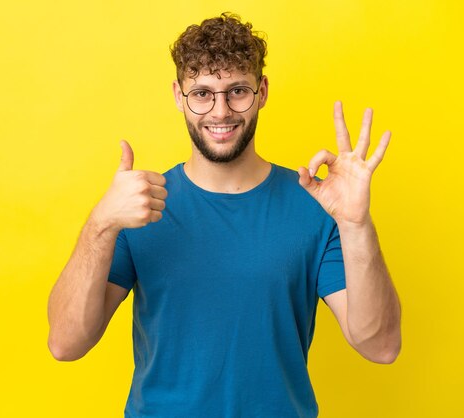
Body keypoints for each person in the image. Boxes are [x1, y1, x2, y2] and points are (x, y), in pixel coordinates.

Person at [47, 12, 401, 418]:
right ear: (179, 96)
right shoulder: (138, 206)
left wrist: (356, 224)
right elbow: (66, 344)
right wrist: (100, 224)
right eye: (202, 93)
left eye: (237, 91)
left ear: (262, 91)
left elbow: (381, 346)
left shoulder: (315, 205)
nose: (220, 112)